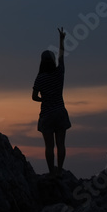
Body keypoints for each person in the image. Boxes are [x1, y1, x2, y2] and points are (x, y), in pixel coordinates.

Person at [32, 27, 71, 174]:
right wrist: (61, 40)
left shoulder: (40, 78)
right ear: (52, 61)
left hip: (47, 114)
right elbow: (62, 56)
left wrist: (44, 99)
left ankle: (51, 172)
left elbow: (34, 97)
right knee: (61, 144)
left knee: (49, 146)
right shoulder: (59, 72)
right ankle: (60, 170)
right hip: (60, 111)